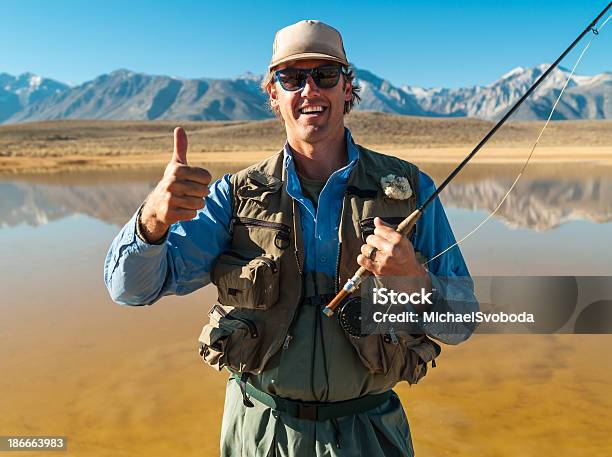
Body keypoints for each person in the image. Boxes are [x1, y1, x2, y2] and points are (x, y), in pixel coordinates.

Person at [104, 19, 478, 457]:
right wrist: (152, 221)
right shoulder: (233, 197)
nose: (309, 91)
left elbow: (463, 322)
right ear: (273, 95)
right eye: (292, 77)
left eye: (324, 75)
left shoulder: (411, 189)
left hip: (371, 431)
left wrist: (415, 282)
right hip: (259, 431)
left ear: (347, 88)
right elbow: (130, 289)